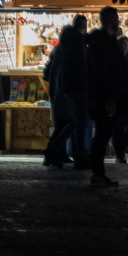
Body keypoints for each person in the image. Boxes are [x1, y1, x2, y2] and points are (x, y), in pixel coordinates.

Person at [85, 6, 128, 186]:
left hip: (108, 96)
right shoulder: (102, 43)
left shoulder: (106, 41)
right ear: (110, 19)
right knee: (102, 134)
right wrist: (108, 98)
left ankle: (98, 172)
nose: (119, 19)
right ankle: (97, 173)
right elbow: (102, 73)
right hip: (105, 97)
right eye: (116, 17)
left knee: (103, 134)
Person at [42, 17, 90, 169]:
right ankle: (67, 152)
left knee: (75, 121)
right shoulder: (79, 44)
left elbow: (55, 70)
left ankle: (57, 150)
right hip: (76, 88)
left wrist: (53, 91)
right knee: (78, 121)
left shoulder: (63, 46)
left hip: (67, 89)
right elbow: (83, 68)